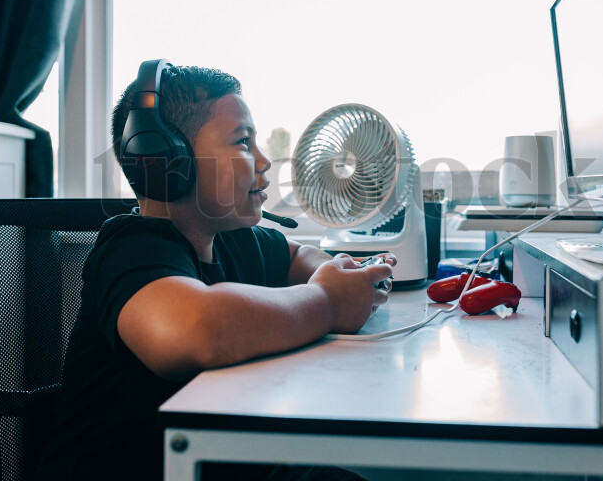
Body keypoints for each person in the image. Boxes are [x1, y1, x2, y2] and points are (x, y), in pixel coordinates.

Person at [36, 63, 394, 481]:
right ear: (167, 161)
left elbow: (298, 256)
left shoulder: (230, 236)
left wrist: (333, 271)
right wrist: (329, 302)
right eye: (243, 142)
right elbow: (196, 329)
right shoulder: (133, 248)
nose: (263, 161)